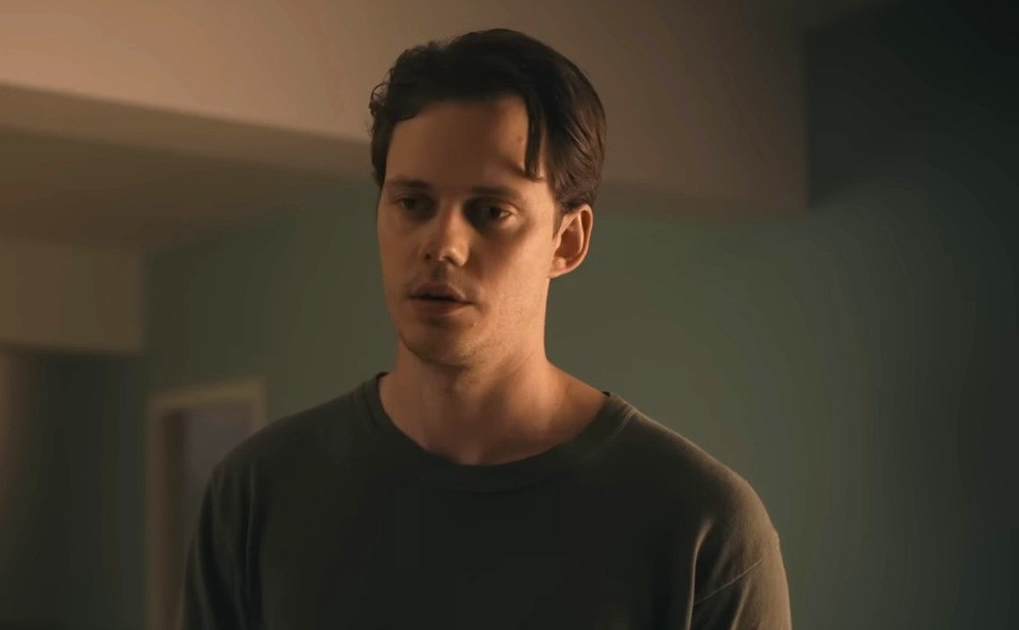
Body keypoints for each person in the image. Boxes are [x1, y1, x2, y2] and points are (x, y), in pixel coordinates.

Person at [181, 28, 791, 629]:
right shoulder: (259, 492)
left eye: (491, 211)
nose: (442, 244)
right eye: (413, 203)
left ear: (567, 241)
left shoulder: (701, 527)